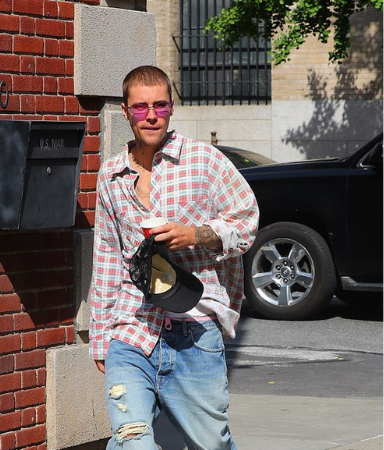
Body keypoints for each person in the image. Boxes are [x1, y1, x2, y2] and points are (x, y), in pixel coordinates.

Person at [88, 65, 259, 450]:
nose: (151, 116)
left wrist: (194, 235)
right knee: (132, 441)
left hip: (194, 333)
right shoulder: (110, 175)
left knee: (210, 444)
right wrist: (101, 337)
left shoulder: (205, 161)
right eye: (141, 107)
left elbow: (247, 225)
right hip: (131, 331)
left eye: (160, 106)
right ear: (125, 111)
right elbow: (107, 258)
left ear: (171, 109)